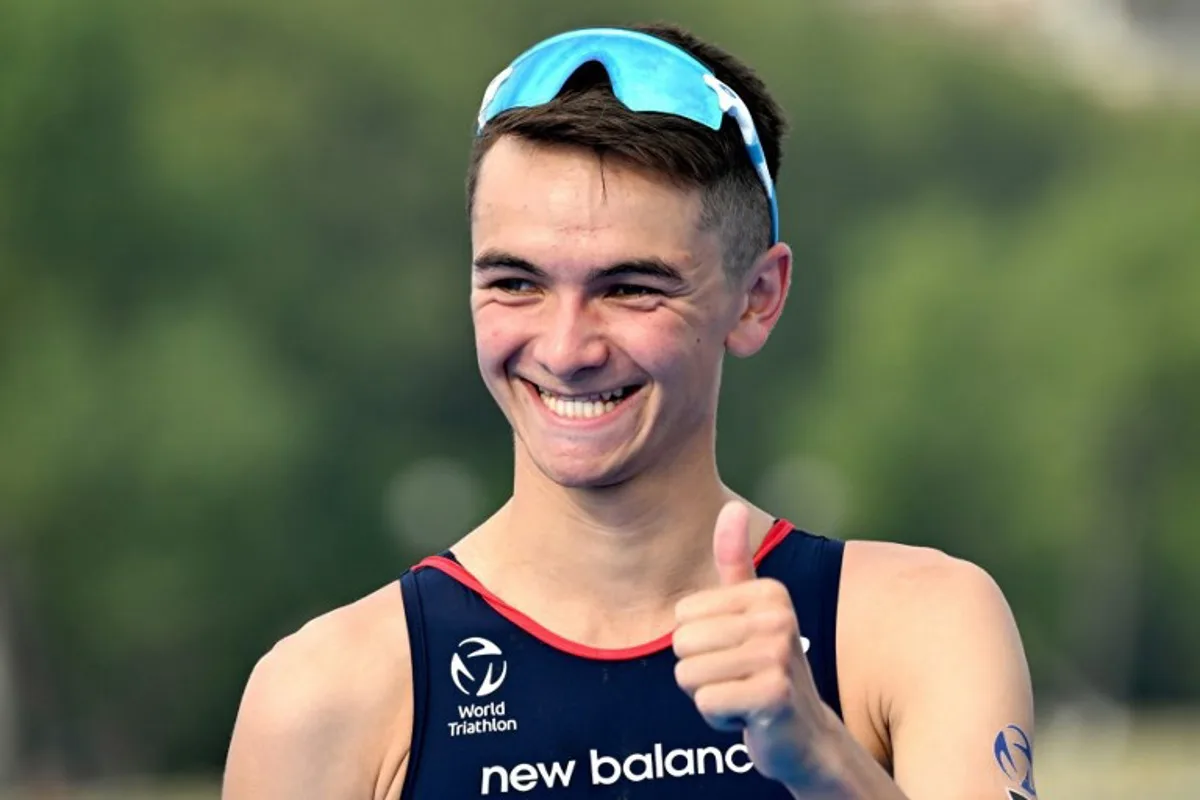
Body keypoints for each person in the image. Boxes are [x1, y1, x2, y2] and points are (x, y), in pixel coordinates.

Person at [221, 22, 1037, 800]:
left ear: (757, 298)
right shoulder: (326, 697)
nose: (567, 347)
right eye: (516, 282)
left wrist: (820, 760)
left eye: (630, 289)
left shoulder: (914, 628)